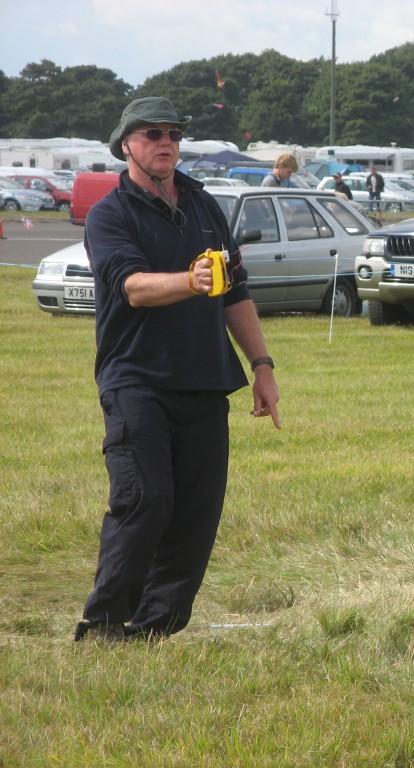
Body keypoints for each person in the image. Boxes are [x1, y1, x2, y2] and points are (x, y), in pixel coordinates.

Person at [75, 96, 282, 643]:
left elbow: (234, 289)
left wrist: (261, 365)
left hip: (207, 378)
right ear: (126, 145)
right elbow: (133, 288)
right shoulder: (110, 213)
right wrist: (188, 281)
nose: (165, 142)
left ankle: (154, 629)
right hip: (135, 378)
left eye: (172, 134)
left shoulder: (204, 205)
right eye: (151, 134)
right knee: (144, 498)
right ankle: (103, 623)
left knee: (195, 514)